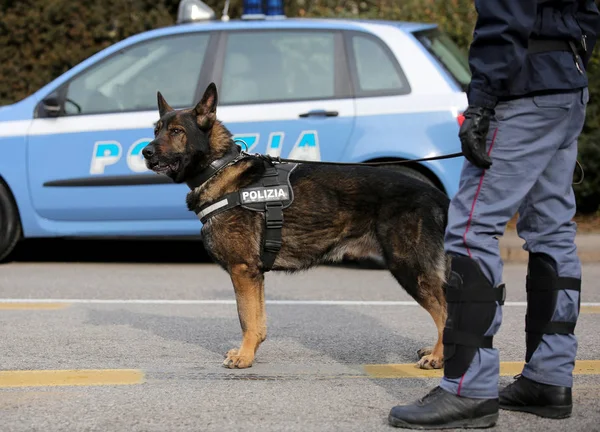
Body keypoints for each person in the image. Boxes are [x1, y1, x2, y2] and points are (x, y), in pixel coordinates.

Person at [388, 0, 600, 429]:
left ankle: (468, 388)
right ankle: (548, 378)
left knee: (469, 230)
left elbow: (504, 19)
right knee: (552, 232)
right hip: (565, 86)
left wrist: (482, 103)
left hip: (521, 91)